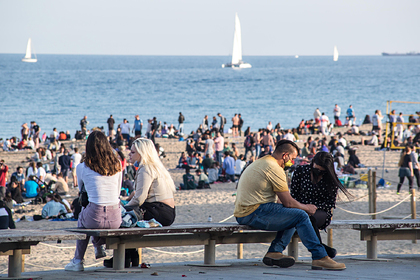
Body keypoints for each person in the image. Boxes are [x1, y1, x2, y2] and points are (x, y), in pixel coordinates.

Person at [234, 139, 346, 270]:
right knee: (300, 214)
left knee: (291, 215)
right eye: (292, 158)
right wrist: (307, 208)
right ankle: (320, 257)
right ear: (285, 155)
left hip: (246, 211)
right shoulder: (274, 168)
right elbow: (288, 202)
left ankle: (275, 251)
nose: (292, 162)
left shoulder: (263, 162)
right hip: (254, 212)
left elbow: (286, 204)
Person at [105, 138, 176, 268]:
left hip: (158, 211)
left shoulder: (146, 168)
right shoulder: (156, 167)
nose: (129, 155)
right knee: (129, 214)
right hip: (167, 211)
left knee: (125, 217)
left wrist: (124, 208)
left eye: (132, 152)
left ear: (141, 153)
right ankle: (132, 255)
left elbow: (139, 199)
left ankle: (124, 256)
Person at [65, 131, 122, 272]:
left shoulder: (82, 167)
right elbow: (118, 191)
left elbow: (82, 191)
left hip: (94, 216)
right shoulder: (117, 165)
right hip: (116, 218)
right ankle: (98, 245)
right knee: (91, 214)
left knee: (82, 218)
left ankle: (78, 260)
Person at [290, 152, 352, 258]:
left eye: (322, 171)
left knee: (310, 219)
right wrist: (303, 207)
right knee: (304, 217)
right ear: (313, 162)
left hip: (320, 212)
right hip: (300, 208)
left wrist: (314, 208)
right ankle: (321, 250)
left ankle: (319, 252)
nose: (319, 173)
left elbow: (329, 204)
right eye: (317, 169)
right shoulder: (301, 171)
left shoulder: (331, 179)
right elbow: (294, 195)